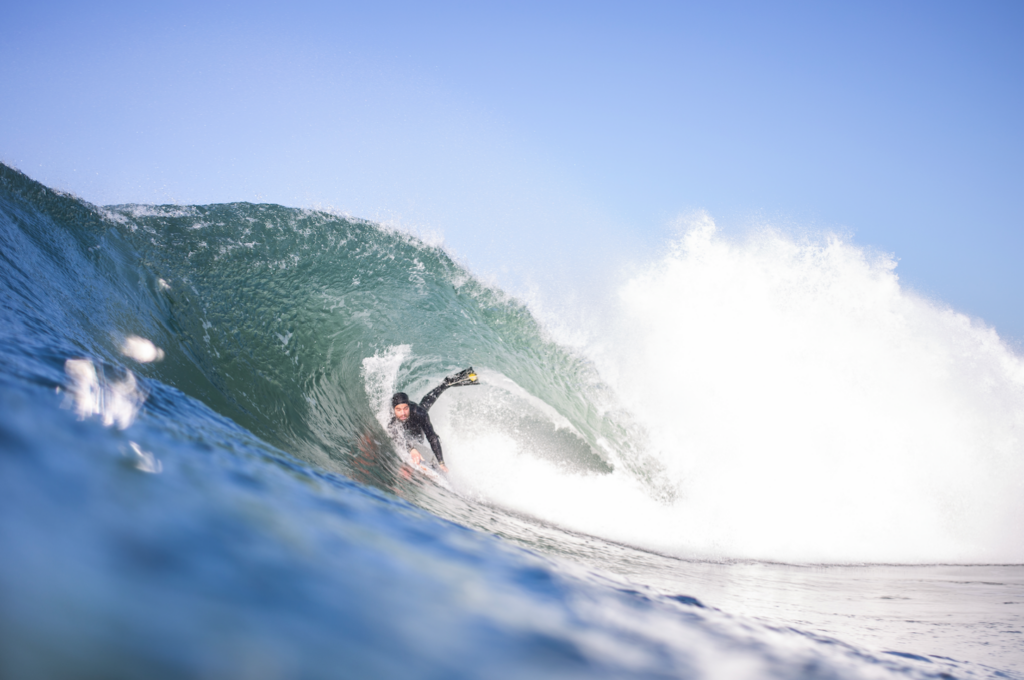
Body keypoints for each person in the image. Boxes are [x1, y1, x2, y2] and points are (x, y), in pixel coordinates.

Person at [387, 368, 478, 473]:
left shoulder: (418, 413)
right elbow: (395, 435)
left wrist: (441, 462)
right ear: (394, 410)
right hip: (407, 419)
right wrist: (411, 449)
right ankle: (446, 383)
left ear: (408, 406)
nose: (402, 413)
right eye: (398, 410)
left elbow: (432, 437)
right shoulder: (391, 417)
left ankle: (448, 382)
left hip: (416, 418)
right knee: (422, 407)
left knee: (419, 434)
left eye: (405, 408)